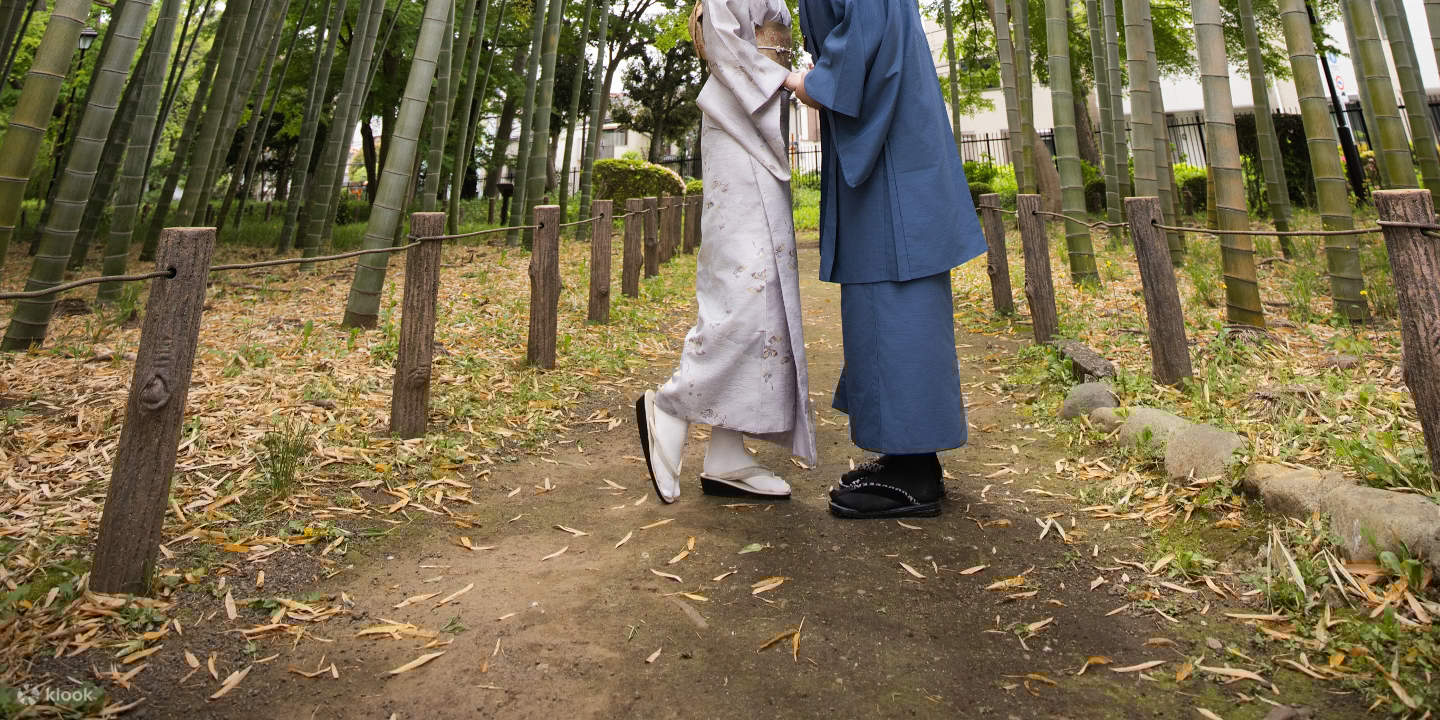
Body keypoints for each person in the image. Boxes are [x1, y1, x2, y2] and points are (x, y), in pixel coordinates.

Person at [785, 0, 987, 518]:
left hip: (891, 155)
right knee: (882, 299)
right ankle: (905, 455)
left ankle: (915, 472)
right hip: (894, 147)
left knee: (896, 298)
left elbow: (866, 38)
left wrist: (810, 81)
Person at [635, 0, 817, 503]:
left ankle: (727, 452)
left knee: (764, 291)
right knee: (745, 283)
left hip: (757, 123)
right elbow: (722, 41)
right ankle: (671, 405)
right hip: (738, 127)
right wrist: (788, 80)